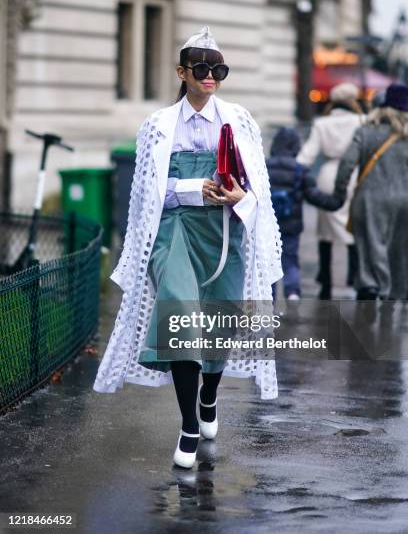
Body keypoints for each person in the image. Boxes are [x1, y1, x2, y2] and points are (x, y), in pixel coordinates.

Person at [93, 27, 283, 469]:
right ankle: (189, 424)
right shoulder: (158, 125)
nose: (211, 76)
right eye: (202, 68)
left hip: (225, 232)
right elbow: (147, 196)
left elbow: (259, 192)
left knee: (220, 322)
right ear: (182, 72)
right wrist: (194, 187)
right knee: (179, 312)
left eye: (219, 68)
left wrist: (240, 199)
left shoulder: (240, 120)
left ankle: (210, 395)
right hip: (174, 230)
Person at [330, 83, 408, 301]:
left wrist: (339, 194)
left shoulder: (366, 131)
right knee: (401, 250)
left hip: (370, 199)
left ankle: (372, 287)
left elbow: (346, 164)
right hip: (405, 200)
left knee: (371, 246)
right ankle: (397, 293)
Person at [297, 82, 364, 299]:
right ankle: (355, 278)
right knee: (353, 229)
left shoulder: (322, 123)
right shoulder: (361, 121)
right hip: (353, 176)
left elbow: (307, 156)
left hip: (327, 176)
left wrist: (292, 171)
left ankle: (325, 283)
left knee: (325, 234)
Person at [267, 126, 341, 300]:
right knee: (290, 257)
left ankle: (268, 296)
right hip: (291, 224)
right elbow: (314, 196)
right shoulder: (300, 170)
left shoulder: (264, 166)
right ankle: (292, 292)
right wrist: (336, 202)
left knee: (268, 260)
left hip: (267, 224)